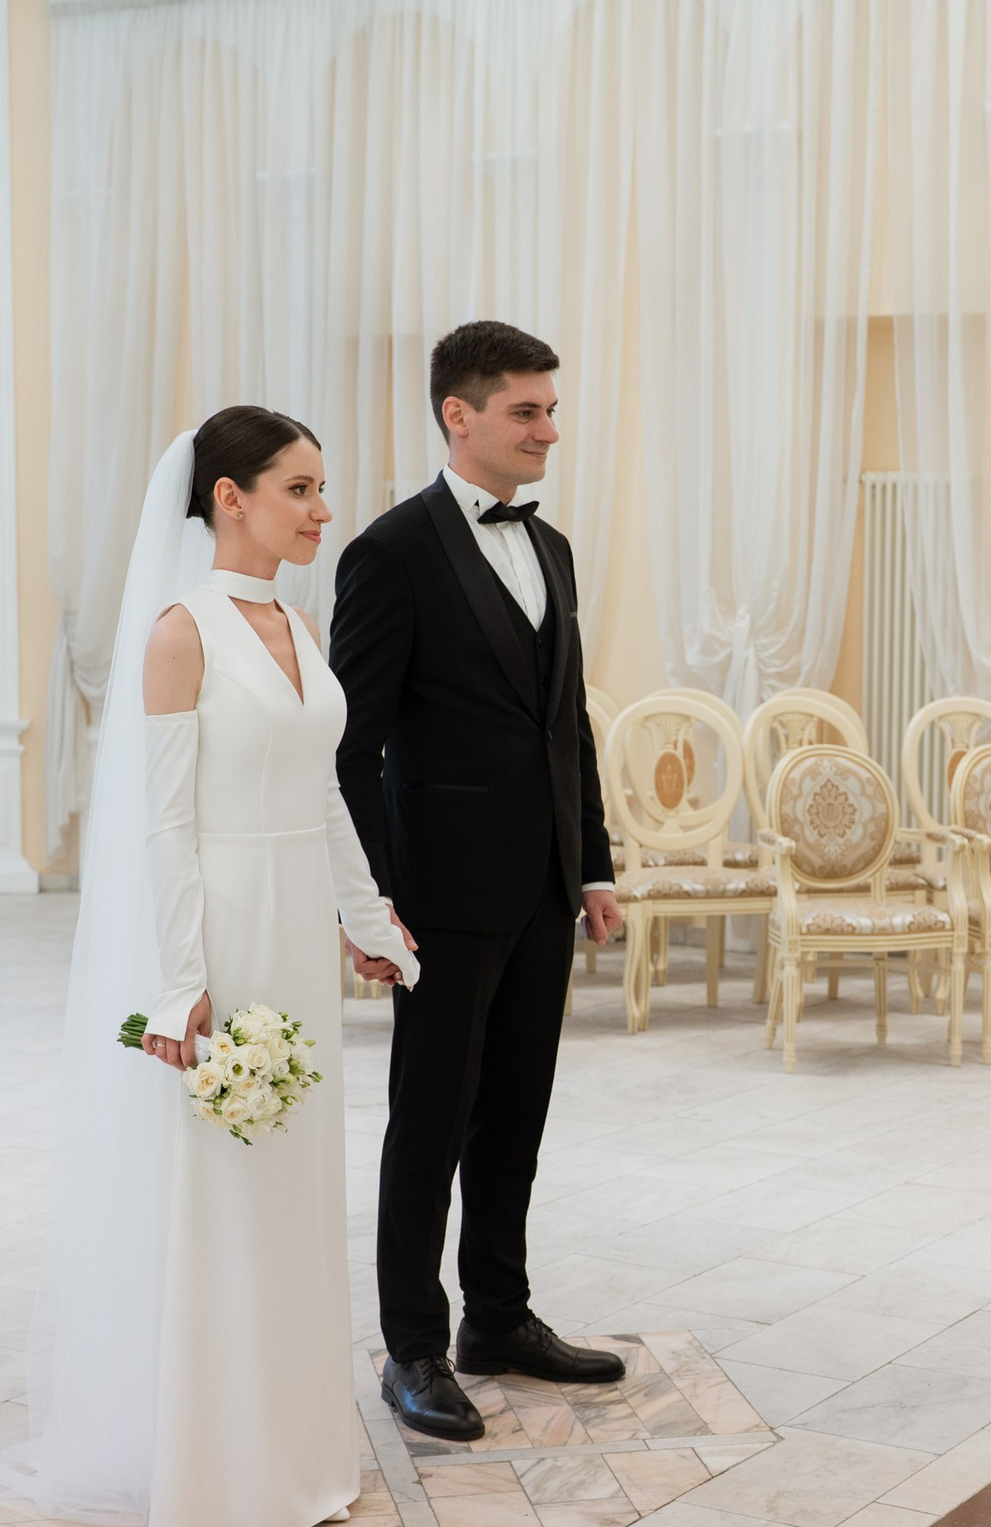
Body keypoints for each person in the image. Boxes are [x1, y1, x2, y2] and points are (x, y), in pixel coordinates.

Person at [0, 408, 418, 1527]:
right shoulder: (181, 633)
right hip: (219, 928)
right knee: (222, 1194)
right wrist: (181, 984)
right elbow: (162, 828)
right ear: (229, 496)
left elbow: (322, 792)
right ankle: (220, 1473)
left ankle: (299, 1448)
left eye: (323, 488)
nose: (323, 509)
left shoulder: (300, 623)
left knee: (295, 1189)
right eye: (301, 487)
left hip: (293, 938)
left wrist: (364, 918)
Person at [329, 321, 625, 1443]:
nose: (550, 428)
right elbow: (351, 746)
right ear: (461, 415)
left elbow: (568, 725)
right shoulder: (391, 552)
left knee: (518, 1113)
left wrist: (589, 860)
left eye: (551, 409)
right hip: (440, 897)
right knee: (431, 1120)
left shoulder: (549, 550)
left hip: (544, 884)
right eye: (528, 410)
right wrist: (376, 898)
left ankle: (498, 1315)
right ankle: (414, 1341)